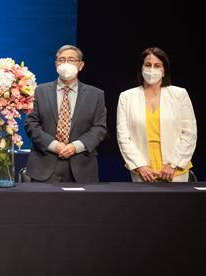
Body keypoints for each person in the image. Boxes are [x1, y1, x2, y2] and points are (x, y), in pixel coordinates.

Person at [24, 44, 107, 182]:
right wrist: (53, 145)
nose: (66, 64)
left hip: (81, 167)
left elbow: (99, 128)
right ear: (56, 64)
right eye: (62, 60)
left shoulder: (96, 94)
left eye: (71, 60)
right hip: (44, 165)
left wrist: (76, 146)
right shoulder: (40, 91)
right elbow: (31, 124)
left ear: (80, 65)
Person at [116, 47, 197, 182]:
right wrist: (139, 165)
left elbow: (189, 133)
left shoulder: (179, 94)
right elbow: (123, 137)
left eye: (157, 65)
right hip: (143, 171)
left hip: (174, 171)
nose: (151, 69)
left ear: (164, 70)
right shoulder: (127, 97)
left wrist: (173, 164)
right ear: (141, 68)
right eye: (148, 65)